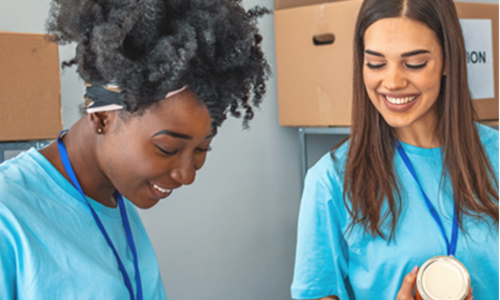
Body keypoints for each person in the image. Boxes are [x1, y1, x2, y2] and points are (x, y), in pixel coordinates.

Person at [0, 0, 270, 299]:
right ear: (102, 117)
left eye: (202, 149)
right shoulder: (8, 216)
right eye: (167, 148)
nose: (187, 174)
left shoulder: (113, 199)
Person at [291, 0, 500, 299]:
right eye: (375, 63)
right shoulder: (331, 180)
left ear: (448, 61)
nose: (392, 82)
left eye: (414, 64)